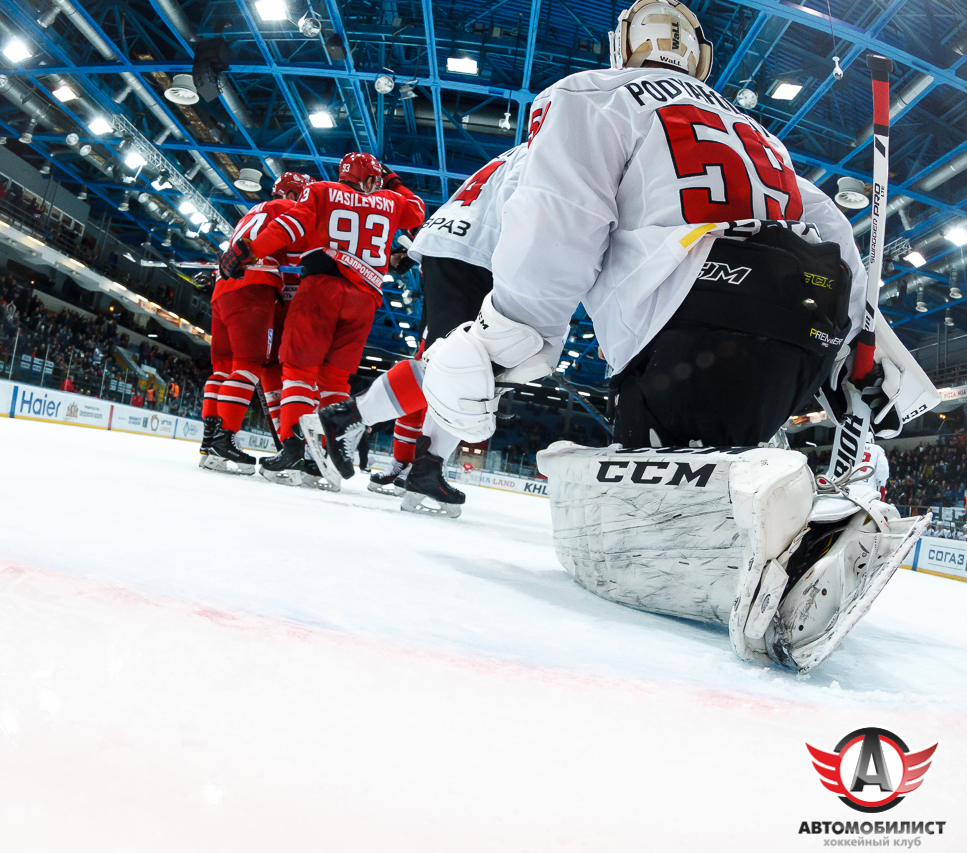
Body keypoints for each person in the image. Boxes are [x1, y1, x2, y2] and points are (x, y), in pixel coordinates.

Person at [421, 0, 930, 671]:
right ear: (701, 57)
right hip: (807, 310)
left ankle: (772, 543)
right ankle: (799, 496)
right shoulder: (754, 131)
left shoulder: (590, 93)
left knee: (665, 468)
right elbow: (830, 224)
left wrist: (510, 332)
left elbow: (563, 214)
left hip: (695, 311)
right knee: (729, 440)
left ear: (619, 45)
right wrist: (848, 357)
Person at [305, 144, 527, 516]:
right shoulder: (562, 145)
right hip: (475, 259)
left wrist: (411, 252)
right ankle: (349, 417)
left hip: (454, 247)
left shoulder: (517, 150)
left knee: (468, 370)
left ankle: (426, 466)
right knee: (462, 371)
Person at [219, 153, 425, 487]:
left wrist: (248, 250)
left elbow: (289, 227)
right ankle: (325, 456)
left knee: (299, 370)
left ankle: (292, 449)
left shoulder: (322, 191)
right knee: (335, 380)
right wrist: (392, 180)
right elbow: (417, 210)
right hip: (365, 300)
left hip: (321, 289)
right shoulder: (389, 200)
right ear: (373, 179)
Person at [199, 172, 313, 475]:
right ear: (296, 194)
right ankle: (226, 438)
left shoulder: (251, 212)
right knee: (250, 364)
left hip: (222, 290)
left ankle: (208, 444)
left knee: (222, 368)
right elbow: (297, 255)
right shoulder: (288, 210)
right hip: (253, 287)